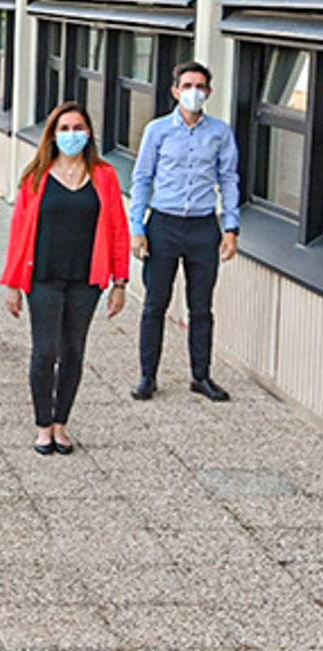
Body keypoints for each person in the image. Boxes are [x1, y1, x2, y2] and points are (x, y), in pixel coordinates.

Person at [0, 102, 130, 455]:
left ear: (89, 133)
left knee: (73, 352)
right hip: (42, 276)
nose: (72, 134)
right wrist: (12, 283)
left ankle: (61, 423)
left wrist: (120, 282)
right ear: (53, 135)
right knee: (45, 351)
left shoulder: (105, 176)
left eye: (78, 128)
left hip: (86, 280)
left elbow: (118, 229)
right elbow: (19, 232)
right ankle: (43, 424)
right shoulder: (36, 176)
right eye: (65, 128)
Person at [130, 61, 240, 402]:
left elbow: (229, 179)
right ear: (175, 90)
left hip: (203, 227)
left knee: (201, 307)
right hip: (164, 224)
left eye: (200, 86)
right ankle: (148, 376)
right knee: (154, 305)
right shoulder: (157, 130)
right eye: (187, 85)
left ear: (209, 92)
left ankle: (201, 376)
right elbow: (142, 178)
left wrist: (231, 226)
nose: (194, 92)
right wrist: (137, 228)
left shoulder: (220, 132)